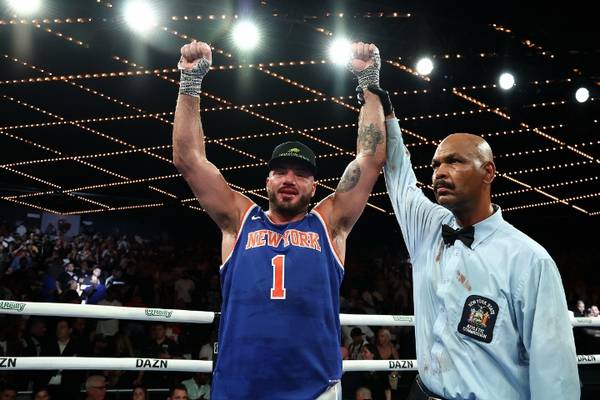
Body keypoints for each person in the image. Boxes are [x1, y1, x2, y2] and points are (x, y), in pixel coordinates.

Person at [173, 39, 387, 399]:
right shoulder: (239, 220)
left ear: (314, 187)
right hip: (240, 389)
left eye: (301, 174)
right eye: (281, 172)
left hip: (314, 390)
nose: (289, 179)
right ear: (267, 181)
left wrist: (369, 81)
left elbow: (370, 158)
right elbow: (189, 160)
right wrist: (190, 83)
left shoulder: (329, 223)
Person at [382, 76, 580, 397]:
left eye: (454, 161)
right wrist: (382, 105)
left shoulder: (528, 260)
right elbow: (399, 176)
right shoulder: (429, 227)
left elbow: (554, 373)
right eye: (436, 164)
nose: (439, 172)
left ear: (488, 172)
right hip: (422, 391)